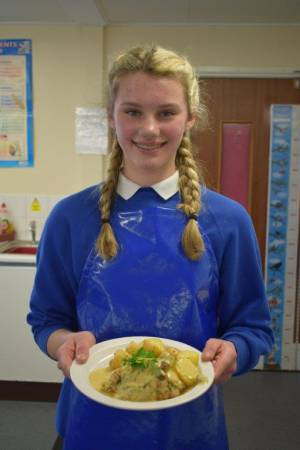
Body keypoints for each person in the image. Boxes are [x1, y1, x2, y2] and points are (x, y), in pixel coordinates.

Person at [27, 45, 273, 450]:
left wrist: (235, 350)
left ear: (190, 119)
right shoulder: (70, 218)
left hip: (190, 429)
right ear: (111, 116)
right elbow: (46, 319)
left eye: (166, 113)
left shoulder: (228, 221)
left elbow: (253, 328)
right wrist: (62, 342)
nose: (149, 129)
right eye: (133, 111)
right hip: (90, 425)